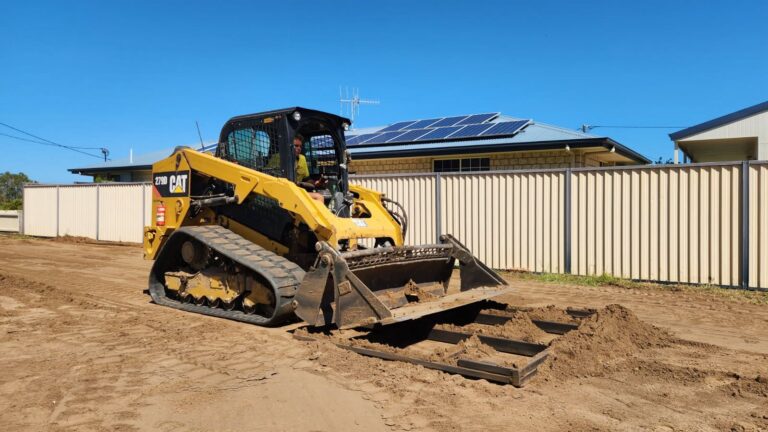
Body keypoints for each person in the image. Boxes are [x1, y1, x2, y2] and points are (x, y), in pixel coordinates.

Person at [268, 134, 325, 203]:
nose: (299, 148)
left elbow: (306, 179)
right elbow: (268, 174)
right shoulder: (277, 157)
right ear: (288, 146)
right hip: (281, 191)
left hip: (297, 191)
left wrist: (316, 183)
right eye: (296, 146)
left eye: (300, 146)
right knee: (318, 197)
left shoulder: (302, 159)